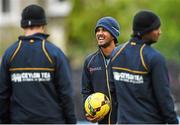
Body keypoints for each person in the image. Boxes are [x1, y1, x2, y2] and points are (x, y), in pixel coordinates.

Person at [0, 4, 76, 124]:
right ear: (43, 25)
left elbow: (2, 95)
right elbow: (66, 94)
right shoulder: (54, 53)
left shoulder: (10, 54)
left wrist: (5, 122)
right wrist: (71, 121)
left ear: (23, 25)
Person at [111, 10, 179, 124]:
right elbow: (164, 99)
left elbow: (111, 93)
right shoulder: (155, 58)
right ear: (146, 31)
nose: (159, 32)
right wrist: (173, 122)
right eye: (156, 28)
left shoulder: (116, 53)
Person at [81, 16, 120, 124]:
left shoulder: (125, 58)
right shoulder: (90, 62)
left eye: (104, 30)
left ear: (114, 35)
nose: (99, 33)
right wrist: (88, 113)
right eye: (98, 30)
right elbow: (86, 92)